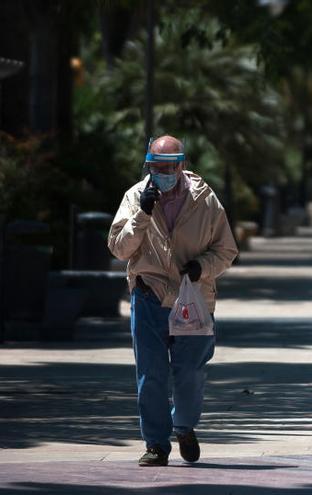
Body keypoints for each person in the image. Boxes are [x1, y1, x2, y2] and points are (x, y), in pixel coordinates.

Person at [108, 135, 238, 466]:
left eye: (169, 166)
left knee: (190, 372)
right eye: (156, 166)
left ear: (181, 165)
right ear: (148, 165)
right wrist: (142, 214)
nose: (162, 172)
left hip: (192, 298)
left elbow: (226, 250)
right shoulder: (135, 197)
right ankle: (155, 444)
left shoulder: (205, 201)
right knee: (150, 374)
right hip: (149, 296)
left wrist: (201, 268)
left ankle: (184, 426)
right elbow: (119, 248)